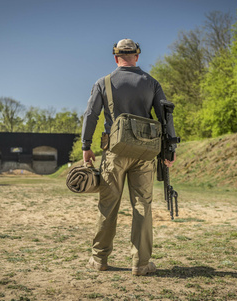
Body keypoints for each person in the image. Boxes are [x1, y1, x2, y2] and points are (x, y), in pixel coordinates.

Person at [82, 38, 177, 276]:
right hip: (144, 154)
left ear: (116, 58)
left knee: (108, 205)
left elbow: (90, 115)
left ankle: (99, 259)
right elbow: (165, 117)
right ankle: (141, 263)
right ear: (137, 56)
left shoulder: (103, 83)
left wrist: (86, 145)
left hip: (114, 152)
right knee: (142, 206)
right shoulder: (151, 83)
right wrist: (169, 150)